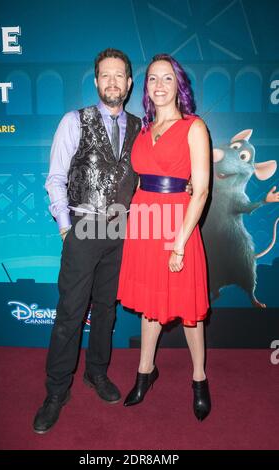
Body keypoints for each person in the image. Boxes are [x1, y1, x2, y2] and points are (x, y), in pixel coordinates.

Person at [33, 48, 142, 434]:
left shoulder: (140, 127)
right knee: (69, 314)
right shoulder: (73, 121)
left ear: (130, 84)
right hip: (83, 226)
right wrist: (66, 226)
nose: (113, 82)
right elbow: (55, 178)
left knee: (107, 310)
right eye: (105, 76)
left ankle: (96, 373)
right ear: (96, 82)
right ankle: (55, 391)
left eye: (120, 76)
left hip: (120, 231)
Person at [117, 54, 211, 421]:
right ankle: (145, 372)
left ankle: (199, 378)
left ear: (179, 86)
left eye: (167, 79)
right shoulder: (142, 129)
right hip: (145, 223)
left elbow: (200, 191)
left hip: (178, 226)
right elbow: (140, 181)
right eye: (152, 79)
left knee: (189, 311)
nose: (158, 85)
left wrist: (179, 241)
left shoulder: (194, 127)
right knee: (149, 303)